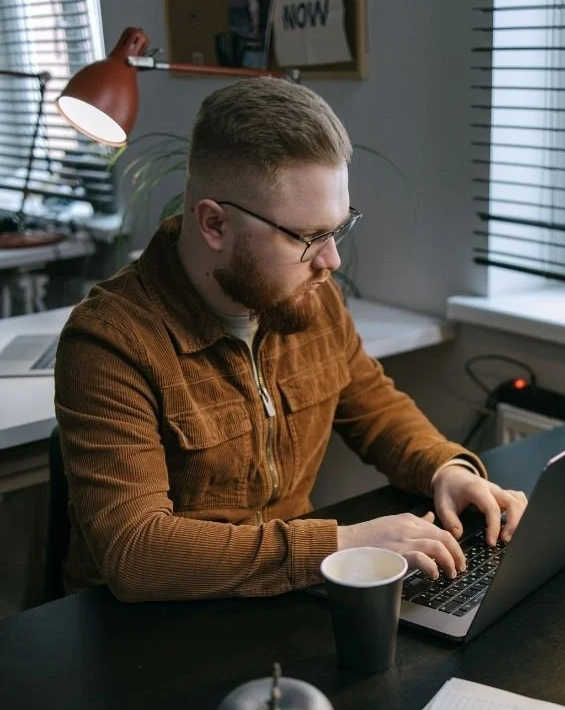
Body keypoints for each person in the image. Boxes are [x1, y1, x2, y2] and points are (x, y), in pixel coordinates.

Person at [55, 78, 527, 602]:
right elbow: (137, 553)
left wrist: (446, 468)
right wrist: (340, 545)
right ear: (214, 224)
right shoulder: (110, 341)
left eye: (337, 229)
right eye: (307, 237)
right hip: (142, 633)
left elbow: (375, 409)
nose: (331, 261)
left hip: (281, 599)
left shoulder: (308, 295)